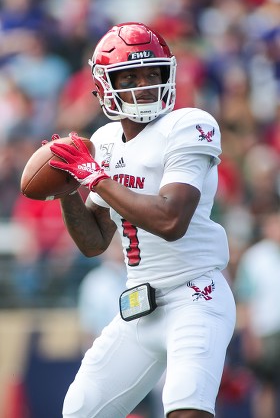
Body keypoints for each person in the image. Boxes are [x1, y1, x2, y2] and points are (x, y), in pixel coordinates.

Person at [48, 22, 236, 418]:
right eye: (129, 75)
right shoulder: (105, 141)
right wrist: (66, 189)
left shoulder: (189, 125)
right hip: (138, 304)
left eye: (153, 73)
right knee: (80, 410)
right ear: (103, 86)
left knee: (186, 406)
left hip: (194, 296)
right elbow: (95, 241)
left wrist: (94, 176)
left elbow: (171, 220)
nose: (144, 84)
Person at [234, 211, 280, 418]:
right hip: (266, 330)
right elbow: (246, 299)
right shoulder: (255, 257)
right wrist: (249, 335)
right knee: (266, 386)